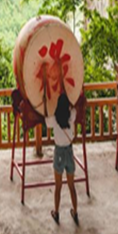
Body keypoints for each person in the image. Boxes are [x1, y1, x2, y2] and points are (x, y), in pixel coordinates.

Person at [46, 92, 79, 226]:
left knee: (58, 186)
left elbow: (46, 120)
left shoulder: (54, 120)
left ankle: (56, 212)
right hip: (69, 151)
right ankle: (75, 212)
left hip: (59, 152)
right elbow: (74, 109)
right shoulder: (71, 117)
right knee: (71, 186)